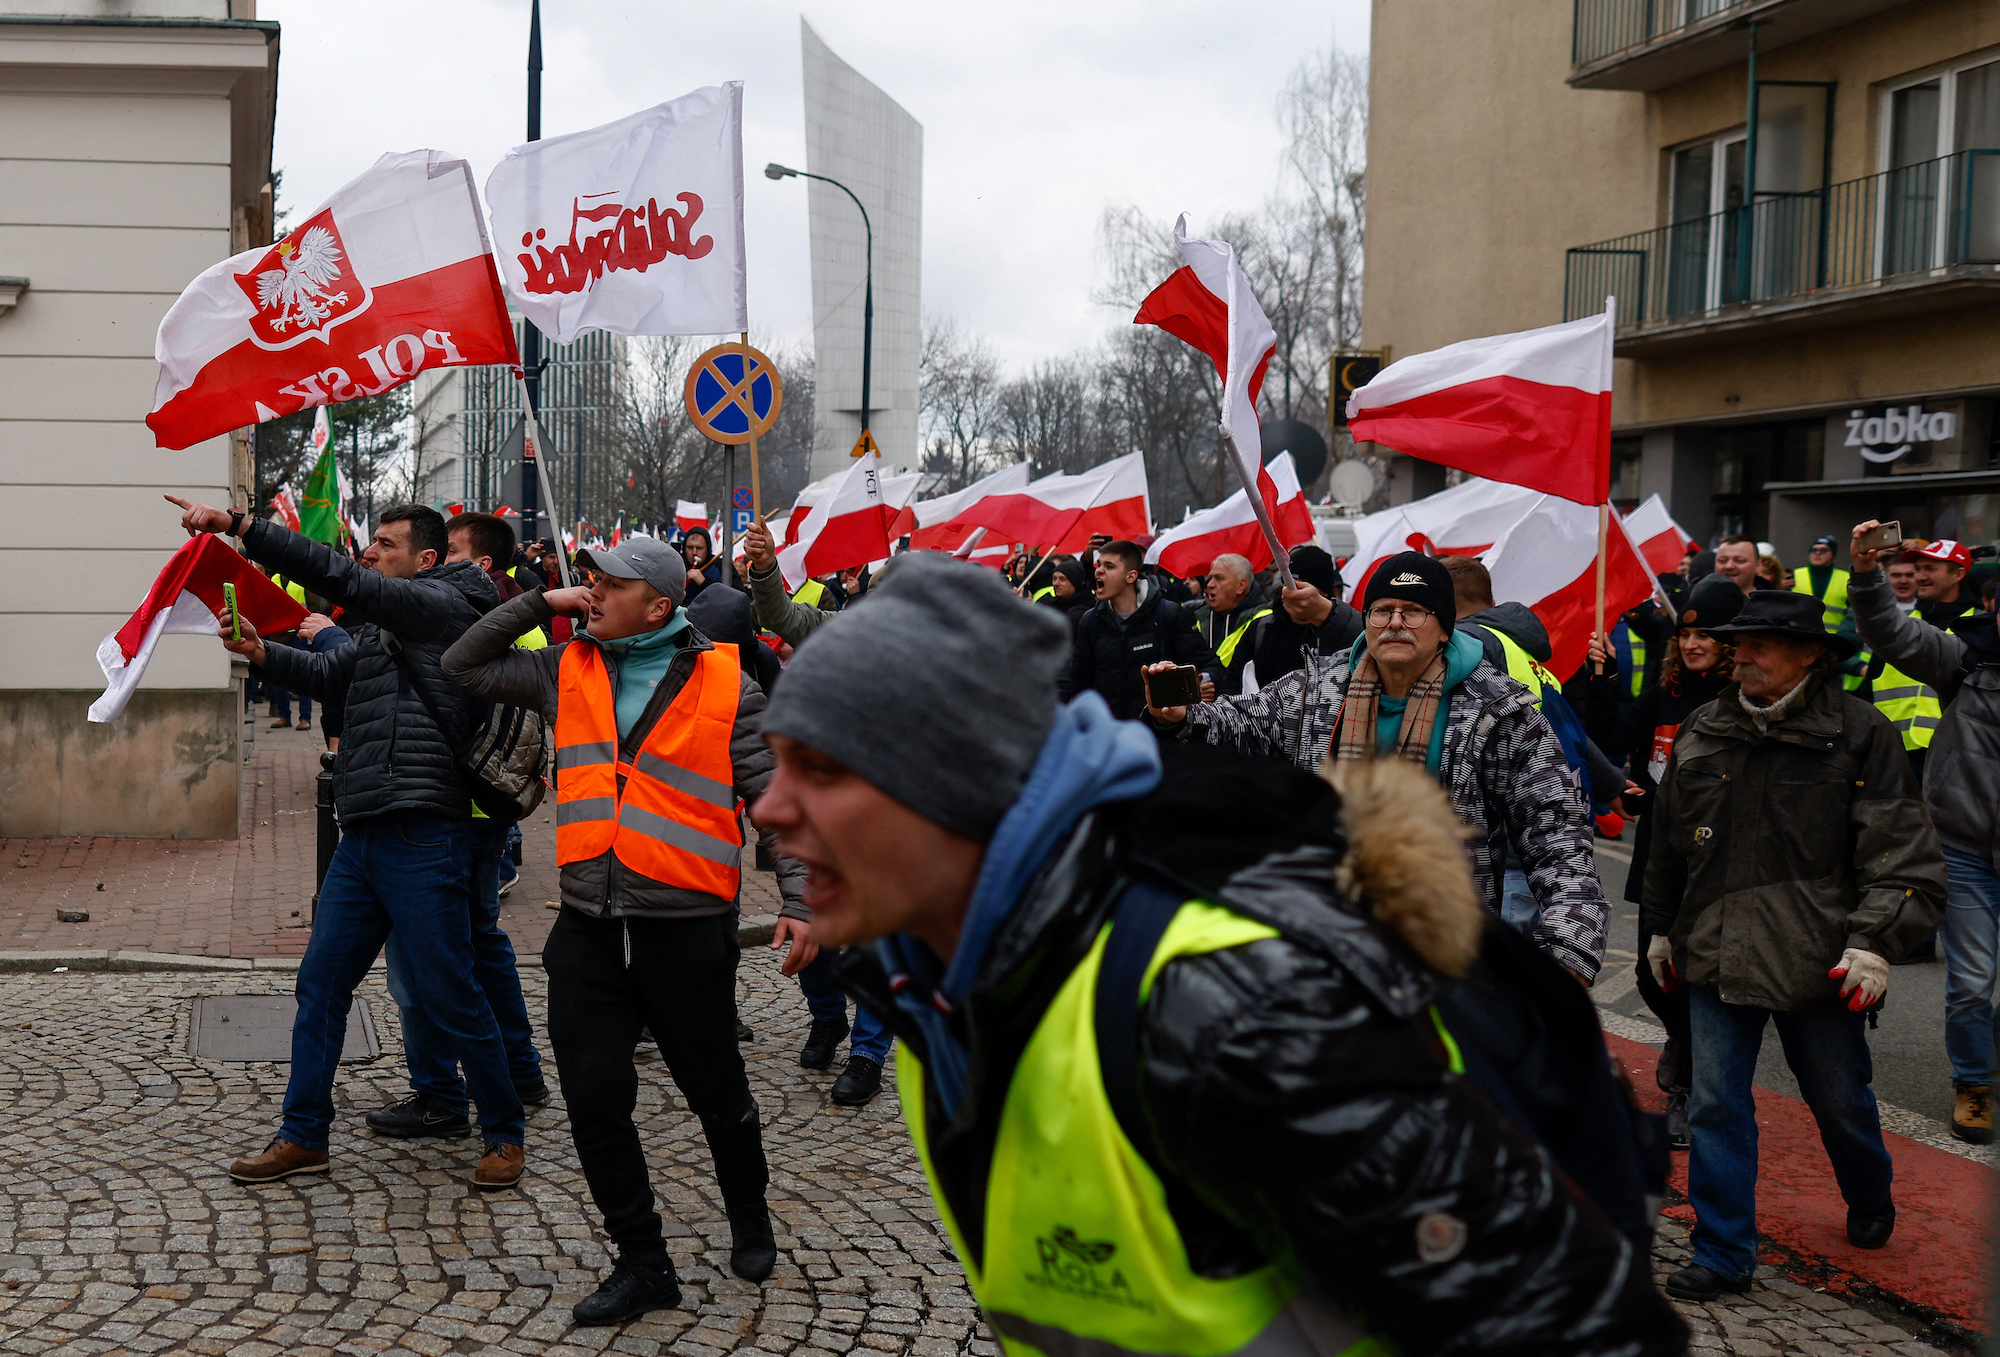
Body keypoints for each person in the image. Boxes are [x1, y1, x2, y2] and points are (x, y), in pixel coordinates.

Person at [748, 552, 1682, 1356]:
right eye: (1384, 606)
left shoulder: (1230, 1008)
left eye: (822, 769)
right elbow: (1236, 722)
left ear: (948, 783)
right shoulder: (931, 992)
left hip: (1412, 942)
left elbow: (1583, 1326)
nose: (768, 809)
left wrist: (1558, 953)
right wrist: (1185, 704)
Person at [440, 535, 809, 1326]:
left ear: (660, 604)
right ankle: (644, 1262)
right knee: (594, 1102)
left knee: (719, 1096)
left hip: (685, 931)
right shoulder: (560, 666)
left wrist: (802, 901)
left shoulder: (728, 683)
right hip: (589, 929)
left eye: (613, 583)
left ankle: (749, 1211)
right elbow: (462, 665)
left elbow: (782, 804)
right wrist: (542, 602)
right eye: (593, 580)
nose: (596, 591)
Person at [162, 495, 527, 1190]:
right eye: (373, 543)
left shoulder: (440, 605)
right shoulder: (387, 625)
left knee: (451, 990)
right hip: (363, 831)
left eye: (385, 544)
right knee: (321, 983)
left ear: (424, 559)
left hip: (426, 828)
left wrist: (244, 527)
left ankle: (504, 1132)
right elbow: (335, 676)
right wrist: (263, 651)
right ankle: (303, 1134)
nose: (370, 552)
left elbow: (346, 582)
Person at [1642, 589, 1946, 1300]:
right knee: (1716, 1102)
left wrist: (1874, 942)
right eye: (1736, 642)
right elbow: (1666, 844)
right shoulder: (1704, 726)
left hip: (1821, 960)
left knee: (1839, 1099)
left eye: (1760, 643)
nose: (1738, 652)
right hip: (1715, 950)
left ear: (1811, 656)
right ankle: (1723, 1250)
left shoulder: (1860, 732)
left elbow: (1903, 855)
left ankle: (1870, 1193)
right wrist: (1659, 925)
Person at [1148, 551, 1609, 984]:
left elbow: (1560, 846)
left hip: (1445, 953)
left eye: (1413, 611)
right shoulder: (1317, 688)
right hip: (1323, 940)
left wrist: (1567, 959)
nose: (1394, 623)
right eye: (1382, 610)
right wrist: (1180, 716)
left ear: (1445, 627)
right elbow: (1241, 722)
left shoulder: (1501, 712)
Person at [1848, 520, 2000, 1145]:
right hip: (1965, 851)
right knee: (1971, 982)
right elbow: (1889, 632)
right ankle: (1975, 1086)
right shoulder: (1969, 657)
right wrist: (1864, 573)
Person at [1582, 574, 1747, 1149]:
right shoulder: (1667, 690)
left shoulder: (1741, 697)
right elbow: (1613, 735)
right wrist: (1601, 680)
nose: (1693, 643)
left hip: (1717, 857)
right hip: (1659, 853)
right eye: (1685, 634)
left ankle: (1689, 1089)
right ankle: (1684, 1041)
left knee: (1702, 972)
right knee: (1653, 975)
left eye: (1706, 636)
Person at [1442, 556, 1630, 927]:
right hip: (1541, 829)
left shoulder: (1472, 643)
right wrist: (1611, 782)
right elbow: (1561, 726)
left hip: (1504, 838)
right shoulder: (1521, 651)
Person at [1057, 539, 1213, 721]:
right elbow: (1080, 683)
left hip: (1159, 735)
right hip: (1108, 733)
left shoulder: (1168, 614)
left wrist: (1205, 681)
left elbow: (1206, 664)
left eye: (1109, 566)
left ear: (1130, 576)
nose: (1099, 570)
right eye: (1098, 565)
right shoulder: (1091, 621)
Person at [1237, 545, 1363, 691]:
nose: (1292, 592)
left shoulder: (1339, 634)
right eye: (1288, 584)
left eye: (1301, 586)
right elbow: (1233, 681)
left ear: (1322, 592)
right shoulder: (1261, 628)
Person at [1188, 554, 1269, 697]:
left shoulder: (1264, 621)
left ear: (1241, 586)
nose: (1210, 584)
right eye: (1210, 578)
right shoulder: (1198, 617)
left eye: (1219, 578)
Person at [680, 526, 724, 599]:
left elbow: (732, 595)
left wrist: (704, 582)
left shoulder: (720, 565)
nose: (694, 552)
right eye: (690, 547)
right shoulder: (676, 565)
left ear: (707, 549)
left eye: (699, 548)